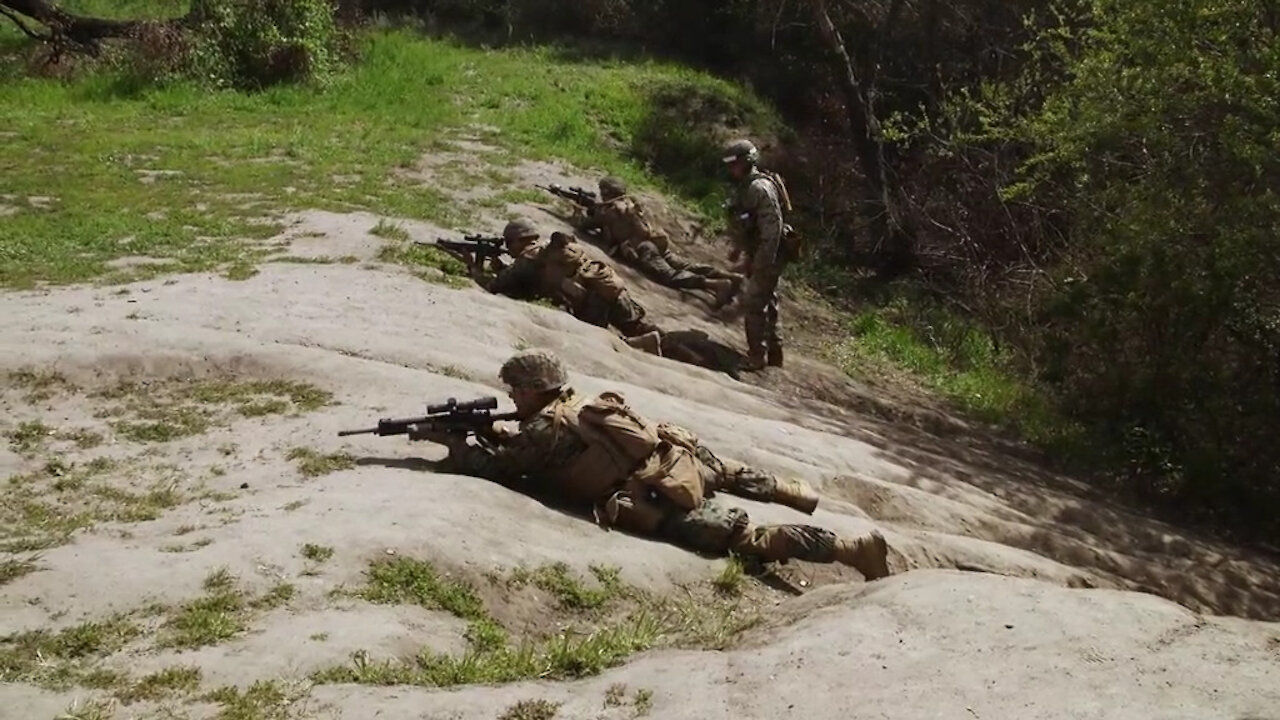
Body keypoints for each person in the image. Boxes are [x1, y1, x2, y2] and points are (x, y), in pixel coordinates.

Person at [407, 349, 892, 579]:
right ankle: (793, 491)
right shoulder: (579, 405)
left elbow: (500, 469)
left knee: (748, 540)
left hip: (656, 497)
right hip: (677, 462)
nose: (511, 394)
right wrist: (491, 430)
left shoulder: (542, 428)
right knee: (724, 473)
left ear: (535, 389)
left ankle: (854, 550)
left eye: (516, 388)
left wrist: (455, 448)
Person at [477, 217, 665, 355]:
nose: (509, 250)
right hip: (609, 285)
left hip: (593, 302)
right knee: (636, 326)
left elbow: (496, 285)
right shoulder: (553, 250)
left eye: (509, 243)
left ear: (518, 240)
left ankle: (635, 344)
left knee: (604, 343)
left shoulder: (527, 259)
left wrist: (475, 269)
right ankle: (670, 343)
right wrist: (501, 267)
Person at [578, 176, 742, 308]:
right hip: (655, 241)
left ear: (607, 192)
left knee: (669, 275)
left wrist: (582, 212)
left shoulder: (610, 210)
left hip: (643, 248)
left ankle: (715, 285)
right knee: (684, 264)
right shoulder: (631, 202)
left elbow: (584, 225)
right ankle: (730, 276)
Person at [721, 139, 797, 370]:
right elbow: (747, 224)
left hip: (769, 253)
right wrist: (740, 250)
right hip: (762, 251)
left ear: (746, 163)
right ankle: (775, 354)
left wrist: (761, 263)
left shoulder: (759, 188)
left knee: (754, 303)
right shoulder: (747, 186)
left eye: (734, 164)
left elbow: (771, 231)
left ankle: (757, 356)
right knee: (768, 299)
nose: (730, 169)